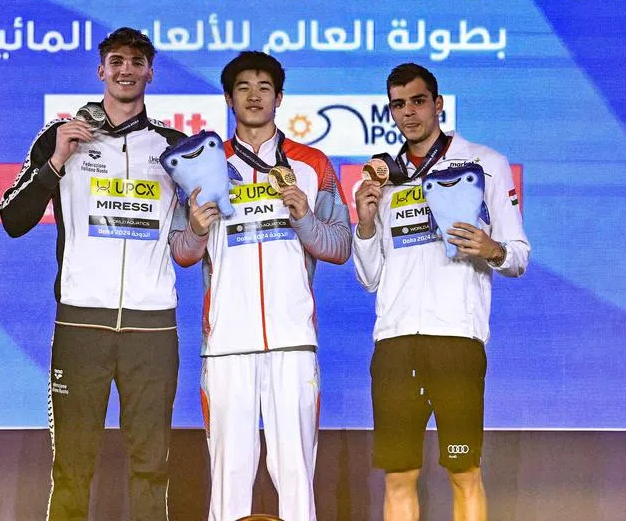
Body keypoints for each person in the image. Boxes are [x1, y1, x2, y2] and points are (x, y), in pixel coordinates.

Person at [0, 27, 187, 521]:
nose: (127, 69)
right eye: (116, 61)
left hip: (152, 325)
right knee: (73, 465)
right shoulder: (60, 137)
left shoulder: (174, 146)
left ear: (151, 71)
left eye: (137, 61)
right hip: (82, 323)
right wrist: (58, 160)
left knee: (152, 465)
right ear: (100, 69)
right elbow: (12, 219)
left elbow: (209, 216)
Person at [170, 51, 352, 521]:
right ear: (229, 99)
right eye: (244, 88)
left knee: (295, 477)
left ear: (280, 98)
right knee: (229, 481)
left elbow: (339, 246)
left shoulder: (312, 165)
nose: (254, 96)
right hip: (227, 341)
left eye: (264, 87)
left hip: (292, 341)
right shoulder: (202, 165)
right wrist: (196, 226)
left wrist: (304, 217)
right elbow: (182, 252)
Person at [352, 63, 530, 521]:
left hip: (455, 339)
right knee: (398, 475)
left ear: (438, 104)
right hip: (394, 343)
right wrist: (367, 224)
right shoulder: (382, 178)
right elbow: (371, 278)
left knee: (463, 470)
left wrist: (492, 249)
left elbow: (518, 256)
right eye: (397, 104)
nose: (407, 113)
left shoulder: (483, 163)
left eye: (417, 101)